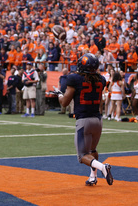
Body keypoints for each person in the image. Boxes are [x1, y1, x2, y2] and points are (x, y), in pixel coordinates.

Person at [54, 53, 113, 186]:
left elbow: (64, 103)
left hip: (84, 121)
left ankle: (103, 167)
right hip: (97, 120)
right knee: (92, 150)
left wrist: (59, 94)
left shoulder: (74, 78)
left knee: (82, 156)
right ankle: (93, 176)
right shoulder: (101, 79)